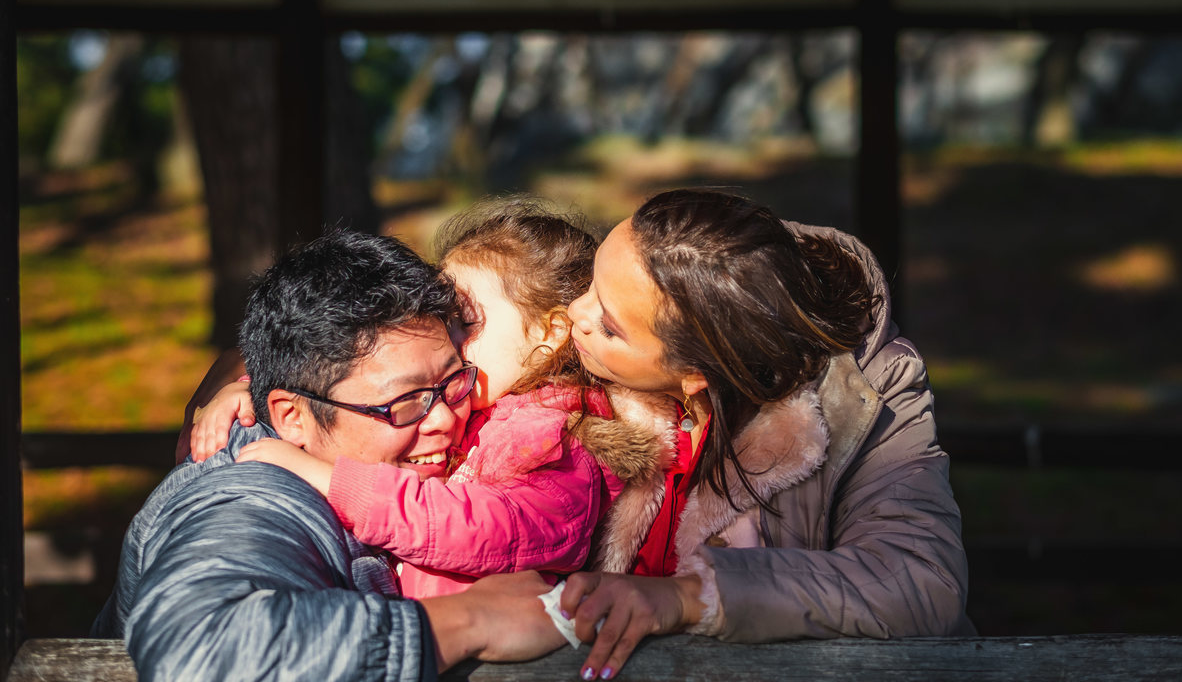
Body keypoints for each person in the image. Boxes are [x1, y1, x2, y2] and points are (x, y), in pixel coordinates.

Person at [92, 230, 565, 681]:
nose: (443, 419)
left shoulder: (347, 429)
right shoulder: (251, 492)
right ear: (291, 418)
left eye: (452, 381)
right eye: (402, 403)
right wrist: (468, 621)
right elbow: (200, 649)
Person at [557, 189, 972, 680]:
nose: (571, 313)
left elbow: (920, 583)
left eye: (607, 325)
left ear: (697, 372)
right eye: (591, 284)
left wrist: (692, 597)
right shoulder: (575, 342)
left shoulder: (870, 386)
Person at [185, 199, 661, 598]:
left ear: (550, 332)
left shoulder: (558, 436)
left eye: (463, 322)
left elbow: (494, 530)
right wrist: (245, 385)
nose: (443, 337)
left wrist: (332, 482)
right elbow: (340, 359)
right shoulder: (482, 408)